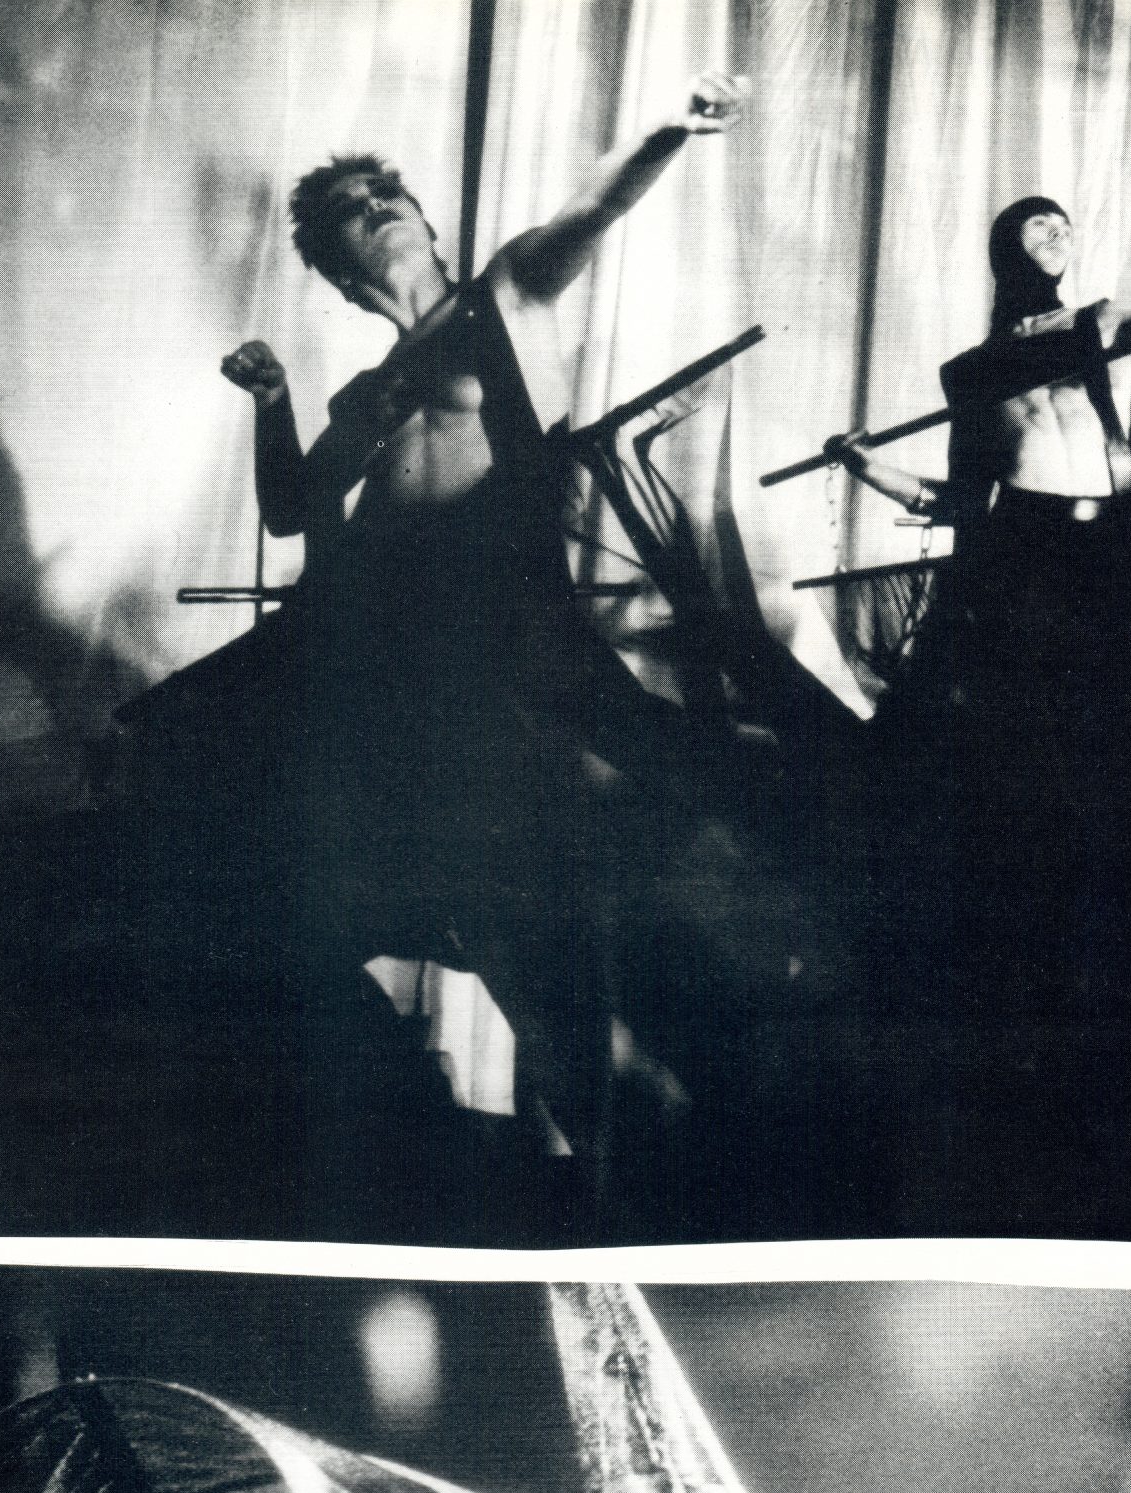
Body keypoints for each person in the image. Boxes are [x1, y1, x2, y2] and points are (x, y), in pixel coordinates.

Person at [182, 81, 748, 1142]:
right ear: (341, 274)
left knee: (541, 903)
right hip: (385, 651)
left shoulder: (504, 297)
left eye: (386, 193)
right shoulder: (371, 386)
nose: (375, 208)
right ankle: (578, 1112)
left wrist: (668, 130)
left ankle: (631, 1111)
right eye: (351, 210)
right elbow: (293, 506)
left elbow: (590, 212)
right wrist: (274, 403)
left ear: (428, 222)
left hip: (498, 638)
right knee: (356, 869)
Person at [826, 199, 1131, 793]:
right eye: (1041, 223)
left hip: (1104, 539)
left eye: (1066, 226)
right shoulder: (970, 370)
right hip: (1020, 544)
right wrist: (868, 468)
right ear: (1007, 244)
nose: (1058, 233)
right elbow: (961, 499)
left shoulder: (1105, 321)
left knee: (1108, 700)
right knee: (1026, 713)